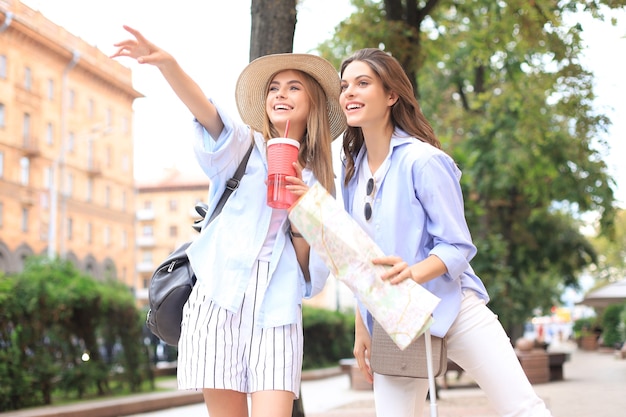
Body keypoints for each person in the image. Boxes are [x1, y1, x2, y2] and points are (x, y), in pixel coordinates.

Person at [111, 26, 345, 417]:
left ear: (313, 103)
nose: (280, 94)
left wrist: (302, 212)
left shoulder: (319, 182)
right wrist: (168, 65)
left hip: (278, 306)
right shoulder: (243, 146)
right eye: (273, 88)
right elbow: (204, 109)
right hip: (217, 298)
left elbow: (310, 275)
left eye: (293, 88)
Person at [338, 48, 553, 417]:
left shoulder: (424, 161)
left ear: (391, 95)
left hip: (454, 308)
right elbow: (360, 261)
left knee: (522, 408)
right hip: (395, 320)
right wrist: (363, 326)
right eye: (344, 86)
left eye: (363, 83)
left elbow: (456, 246)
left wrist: (413, 272)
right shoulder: (350, 174)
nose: (349, 93)